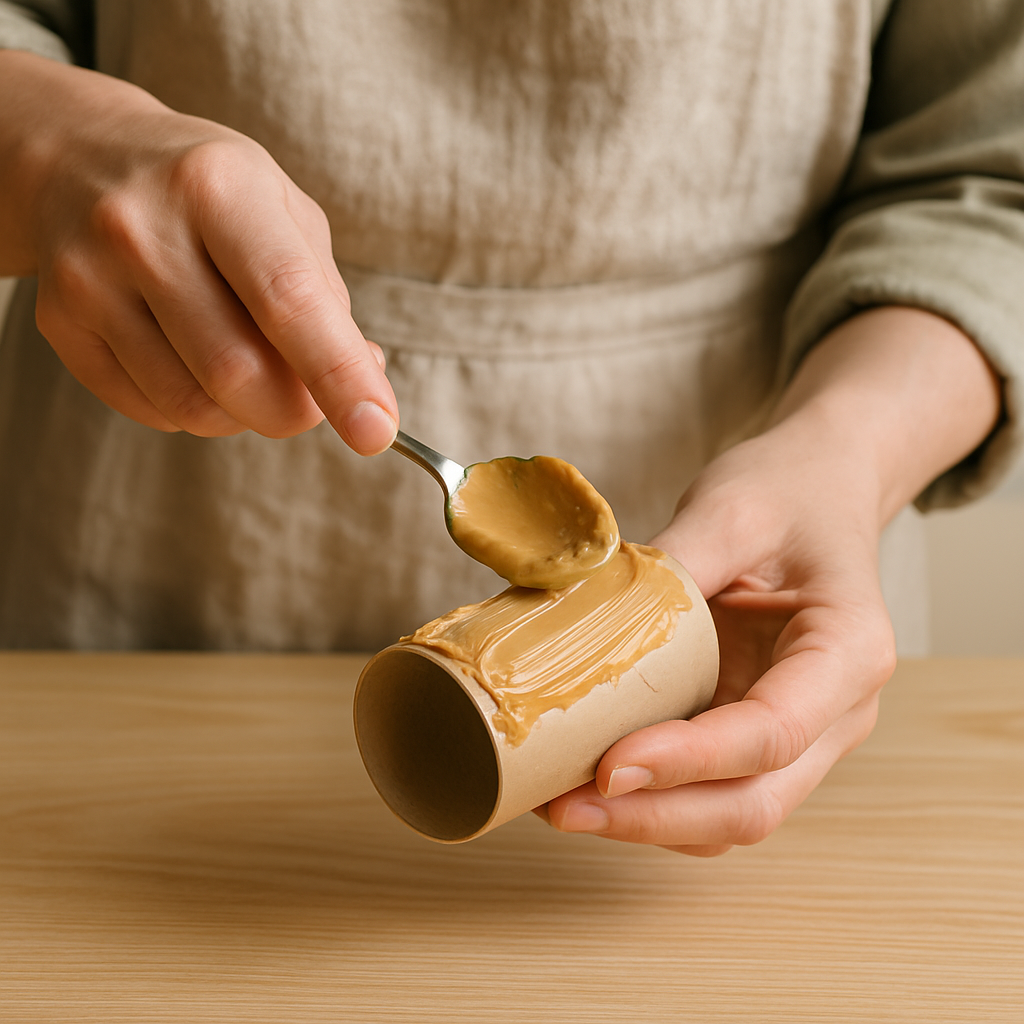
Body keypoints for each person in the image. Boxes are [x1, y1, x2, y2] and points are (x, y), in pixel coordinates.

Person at [0, 1, 1020, 855]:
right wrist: (47, 143)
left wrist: (848, 453)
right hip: (131, 624)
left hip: (747, 581)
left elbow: (988, 178)